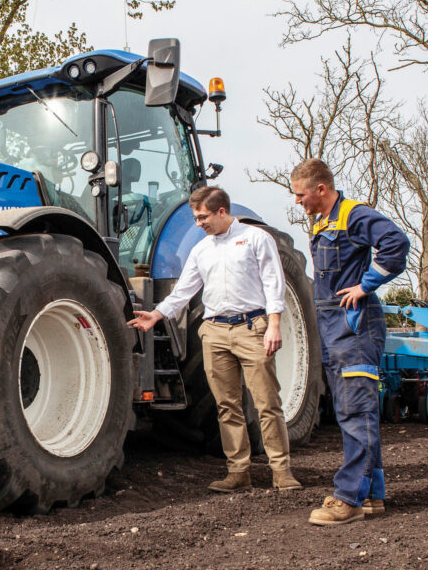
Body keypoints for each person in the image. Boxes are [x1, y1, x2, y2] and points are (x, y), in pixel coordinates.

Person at [128, 186, 302, 493]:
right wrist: (155, 315)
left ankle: (281, 470)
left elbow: (274, 282)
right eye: (196, 218)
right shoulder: (201, 249)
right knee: (226, 406)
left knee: (266, 403)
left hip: (252, 328)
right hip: (215, 332)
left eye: (202, 217)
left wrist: (274, 323)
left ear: (222, 211)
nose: (198, 224)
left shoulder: (256, 239)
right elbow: (183, 291)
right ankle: (238, 472)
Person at [290, 159, 410, 526]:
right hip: (332, 323)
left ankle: (348, 498)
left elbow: (396, 243)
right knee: (349, 411)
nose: (298, 202)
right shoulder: (323, 221)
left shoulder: (353, 215)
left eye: (301, 195)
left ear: (321, 189)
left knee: (357, 411)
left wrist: (366, 284)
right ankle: (371, 495)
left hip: (355, 324)